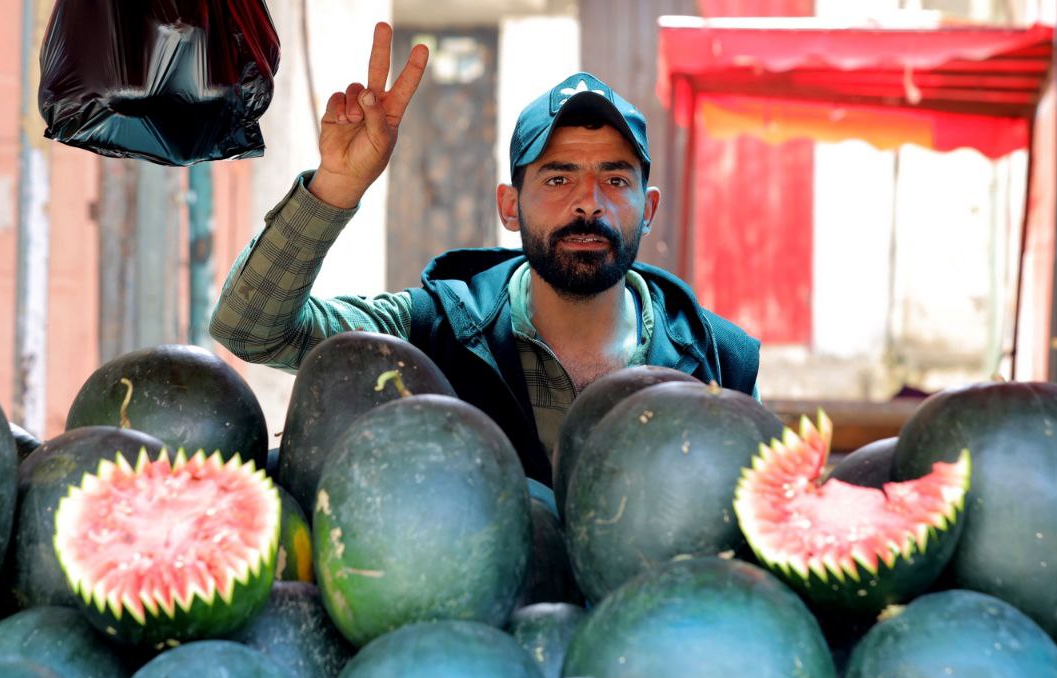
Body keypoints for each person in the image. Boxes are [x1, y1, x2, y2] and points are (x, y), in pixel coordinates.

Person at [210, 22, 760, 485]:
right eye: (558, 178)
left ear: (649, 208)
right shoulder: (431, 332)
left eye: (615, 180)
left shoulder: (719, 360)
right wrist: (337, 184)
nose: (589, 203)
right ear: (509, 207)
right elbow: (251, 330)